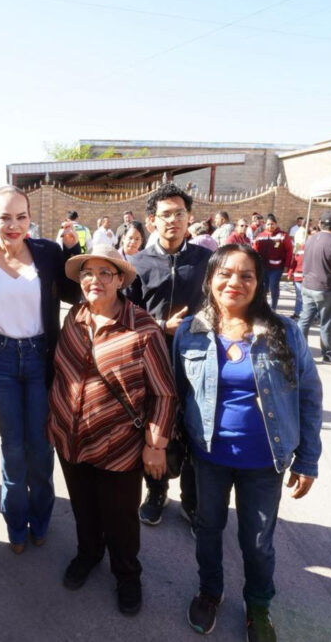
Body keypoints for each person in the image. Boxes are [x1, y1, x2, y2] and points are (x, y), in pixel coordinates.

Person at [175, 244, 322, 642]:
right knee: (207, 529)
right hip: (208, 456)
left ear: (259, 284)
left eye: (246, 275)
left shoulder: (285, 331)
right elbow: (176, 394)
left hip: (264, 459)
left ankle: (258, 604)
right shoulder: (190, 332)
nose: (234, 283)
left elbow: (309, 394)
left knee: (256, 542)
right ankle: (210, 592)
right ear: (209, 279)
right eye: (224, 273)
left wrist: (308, 459)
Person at [49, 245, 177, 616]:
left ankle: (127, 574)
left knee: (120, 520)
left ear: (120, 280)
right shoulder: (74, 316)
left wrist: (155, 445)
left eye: (106, 273)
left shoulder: (143, 329)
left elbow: (164, 393)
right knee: (84, 508)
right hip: (70, 438)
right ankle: (88, 554)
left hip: (118, 444)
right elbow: (62, 371)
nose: (95, 280)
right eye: (88, 273)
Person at [0, 186, 80, 553]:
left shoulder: (48, 253)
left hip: (39, 357)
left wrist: (72, 249)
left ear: (30, 218)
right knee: (12, 448)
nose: (14, 224)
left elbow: (74, 293)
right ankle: (16, 525)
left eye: (21, 216)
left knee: (40, 446)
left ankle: (41, 519)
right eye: (5, 216)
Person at [125, 183, 212, 527]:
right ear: (151, 222)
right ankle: (156, 492)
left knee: (195, 428)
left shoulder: (206, 261)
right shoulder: (137, 264)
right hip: (152, 359)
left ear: (189, 218)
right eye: (165, 215)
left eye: (179, 213)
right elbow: (127, 313)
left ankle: (191, 501)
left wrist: (196, 326)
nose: (173, 220)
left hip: (199, 359)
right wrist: (161, 325)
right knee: (155, 428)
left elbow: (220, 304)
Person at [298, 210, 331, 364]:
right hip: (325, 288)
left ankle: (299, 349)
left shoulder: (310, 239)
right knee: (326, 322)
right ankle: (329, 353)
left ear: (320, 224)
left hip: (307, 285)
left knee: (304, 319)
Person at [252, 214, 294, 313]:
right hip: (263, 267)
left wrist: (287, 266)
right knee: (263, 288)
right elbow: (254, 250)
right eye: (268, 224)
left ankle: (273, 307)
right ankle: (264, 307)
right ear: (265, 225)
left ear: (276, 224)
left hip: (276, 268)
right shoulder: (260, 236)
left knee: (273, 286)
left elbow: (289, 251)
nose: (270, 226)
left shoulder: (283, 236)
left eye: (272, 224)